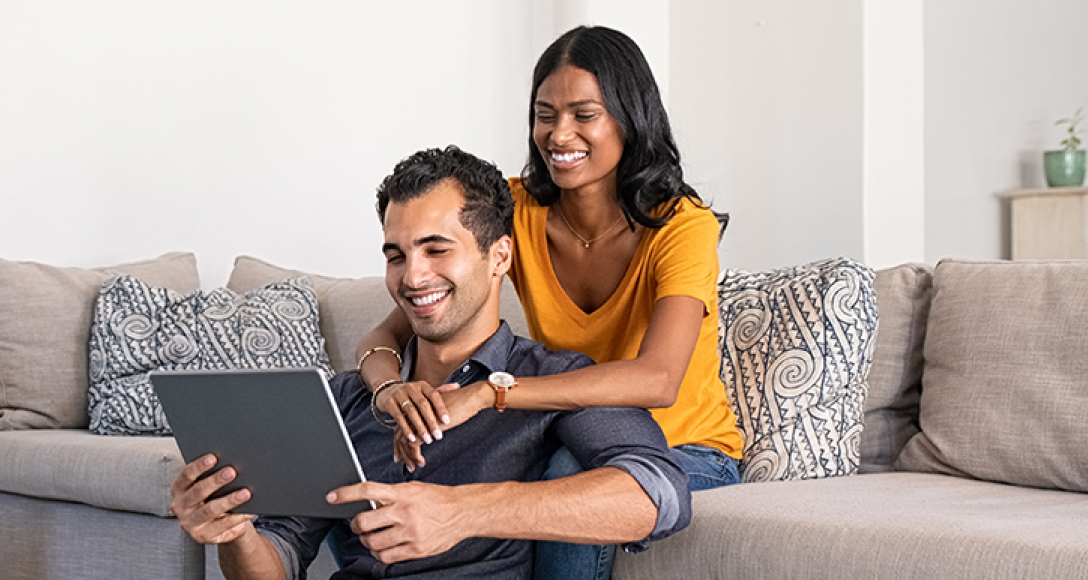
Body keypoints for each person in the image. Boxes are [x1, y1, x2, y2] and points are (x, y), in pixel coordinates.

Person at [171, 146, 690, 580]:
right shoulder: (352, 397)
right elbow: (276, 559)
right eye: (396, 256)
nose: (412, 277)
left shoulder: (552, 380)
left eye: (436, 250)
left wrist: (462, 511)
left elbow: (659, 493)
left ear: (500, 257)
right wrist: (233, 530)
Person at [353, 26, 739, 580]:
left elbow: (658, 380)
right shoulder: (516, 208)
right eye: (545, 113)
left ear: (630, 118)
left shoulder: (681, 226)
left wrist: (491, 393)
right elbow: (385, 336)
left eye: (585, 114)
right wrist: (392, 390)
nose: (559, 134)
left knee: (562, 473)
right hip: (570, 423)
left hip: (688, 445)